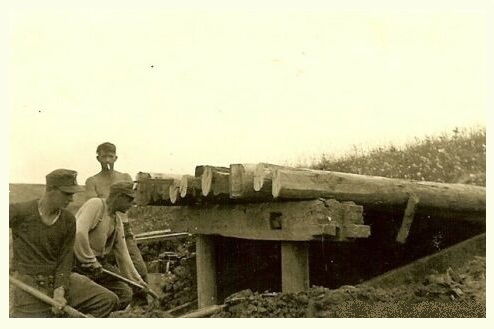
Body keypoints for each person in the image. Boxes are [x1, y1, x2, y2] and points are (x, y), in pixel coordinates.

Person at [9, 169, 118, 317]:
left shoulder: (67, 220)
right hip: (28, 283)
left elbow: (65, 259)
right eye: (67, 194)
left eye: (73, 194)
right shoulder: (21, 211)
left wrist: (59, 291)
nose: (71, 199)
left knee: (106, 300)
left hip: (58, 279)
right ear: (50, 190)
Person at [74, 181, 148, 310]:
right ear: (119, 196)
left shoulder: (117, 220)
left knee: (125, 294)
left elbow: (123, 254)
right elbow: (79, 232)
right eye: (130, 200)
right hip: (77, 263)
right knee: (100, 298)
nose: (132, 204)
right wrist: (90, 260)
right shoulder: (96, 204)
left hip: (98, 265)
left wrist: (137, 280)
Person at [85, 142, 148, 283]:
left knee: (138, 266)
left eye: (110, 156)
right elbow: (92, 204)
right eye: (104, 157)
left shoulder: (125, 177)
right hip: (100, 229)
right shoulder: (92, 181)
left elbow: (132, 201)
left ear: (116, 158)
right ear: (98, 158)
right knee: (105, 269)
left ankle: (141, 302)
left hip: (123, 227)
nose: (107, 160)